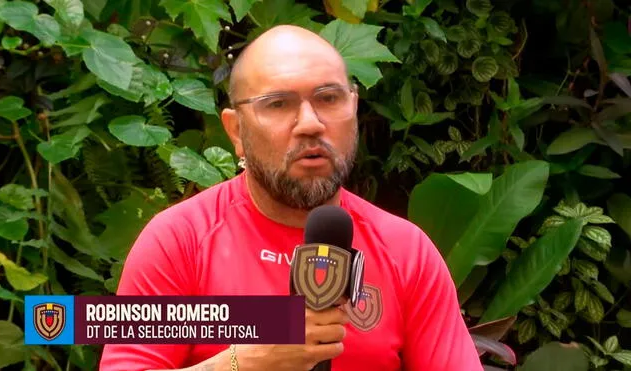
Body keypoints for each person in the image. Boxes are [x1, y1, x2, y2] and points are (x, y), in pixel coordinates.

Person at [99, 24, 482, 371]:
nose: (311, 123)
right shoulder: (179, 241)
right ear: (235, 131)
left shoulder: (405, 250)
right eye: (278, 104)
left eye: (329, 98)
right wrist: (242, 362)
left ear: (354, 109)